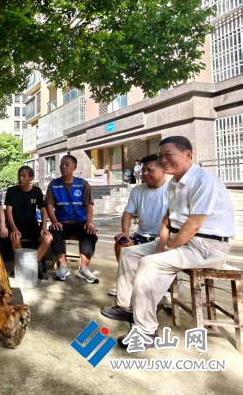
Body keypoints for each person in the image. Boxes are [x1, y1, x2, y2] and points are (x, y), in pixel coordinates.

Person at [101, 136, 235, 349]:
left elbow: (193, 225)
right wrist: (160, 246)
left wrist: (166, 251)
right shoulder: (174, 183)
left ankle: (146, 331)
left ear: (188, 155)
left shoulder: (204, 182)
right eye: (161, 156)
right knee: (129, 254)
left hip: (206, 247)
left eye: (168, 155)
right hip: (181, 241)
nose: (163, 160)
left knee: (150, 263)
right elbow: (167, 219)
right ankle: (127, 307)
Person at [108, 154, 168, 296]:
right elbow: (128, 212)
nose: (145, 174)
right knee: (121, 244)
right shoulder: (137, 190)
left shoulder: (173, 189)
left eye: (150, 170)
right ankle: (127, 285)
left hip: (163, 238)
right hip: (141, 236)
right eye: (143, 170)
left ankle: (166, 291)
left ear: (163, 171)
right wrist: (125, 232)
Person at [45, 154, 99, 283]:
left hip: (80, 222)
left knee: (90, 233)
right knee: (54, 232)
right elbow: (49, 205)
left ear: (75, 167)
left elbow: (89, 204)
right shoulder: (54, 184)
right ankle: (63, 266)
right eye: (62, 164)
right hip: (62, 223)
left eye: (67, 164)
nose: (64, 167)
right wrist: (54, 221)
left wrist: (89, 222)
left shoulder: (83, 184)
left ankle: (84, 269)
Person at [5, 166, 53, 279]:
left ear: (31, 178)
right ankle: (24, 267)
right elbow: (8, 212)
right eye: (19, 176)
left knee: (48, 238)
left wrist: (44, 227)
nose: (21, 178)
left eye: (24, 176)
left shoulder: (36, 191)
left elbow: (43, 210)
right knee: (15, 238)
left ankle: (31, 265)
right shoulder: (11, 191)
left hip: (32, 227)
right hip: (16, 227)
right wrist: (14, 229)